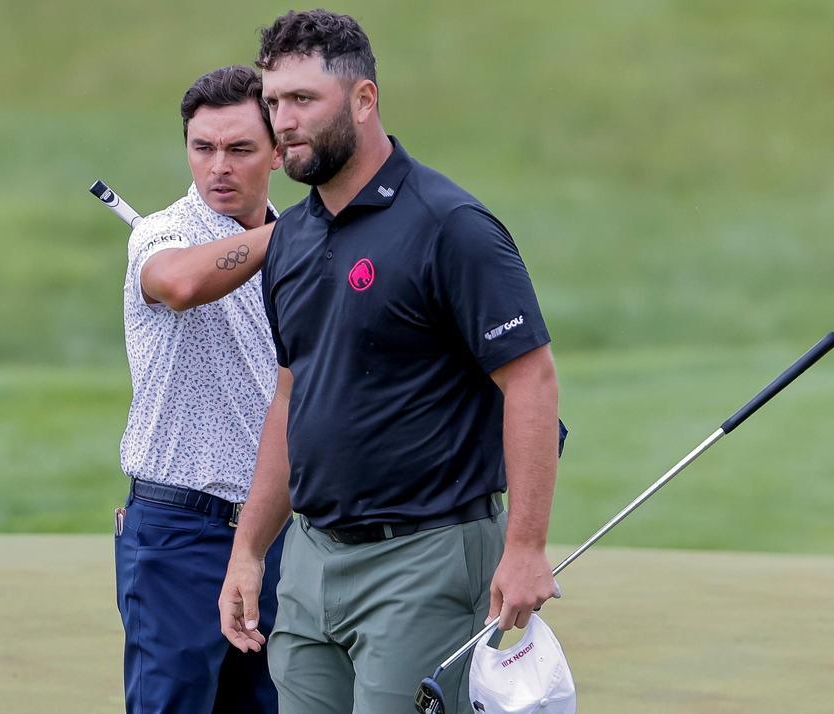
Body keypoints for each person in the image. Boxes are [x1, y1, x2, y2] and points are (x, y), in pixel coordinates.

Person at [218, 11, 561, 713]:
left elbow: (531, 380)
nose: (284, 121)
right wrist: (250, 548)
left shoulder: (449, 226)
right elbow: (292, 396)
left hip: (426, 558)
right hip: (312, 561)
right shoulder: (291, 239)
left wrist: (525, 547)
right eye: (274, 101)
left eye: (303, 100)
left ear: (364, 100)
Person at [114, 64, 286, 714]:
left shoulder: (302, 246)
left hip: (274, 534)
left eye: (240, 149)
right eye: (202, 147)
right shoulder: (161, 233)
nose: (219, 166)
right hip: (176, 530)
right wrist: (299, 233)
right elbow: (181, 284)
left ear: (277, 151)